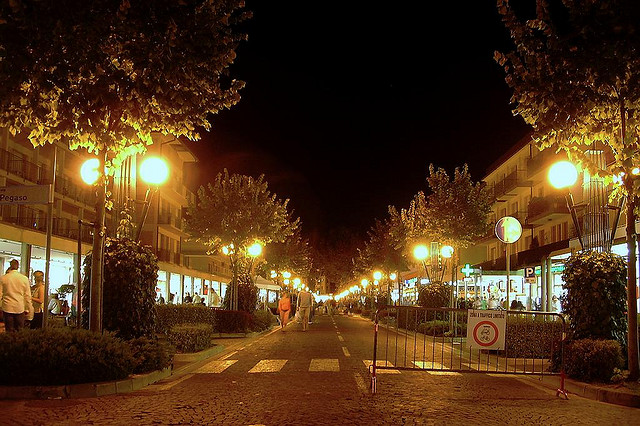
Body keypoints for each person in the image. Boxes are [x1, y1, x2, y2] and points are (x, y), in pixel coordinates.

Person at [0, 259, 32, 332]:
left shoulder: (3, 278)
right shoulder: (24, 279)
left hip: (7, 306)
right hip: (19, 307)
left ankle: (9, 343)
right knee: (19, 330)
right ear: (18, 266)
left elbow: (0, 294)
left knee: (9, 330)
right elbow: (27, 296)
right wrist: (28, 308)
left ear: (10, 266)